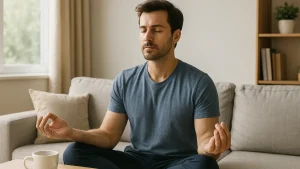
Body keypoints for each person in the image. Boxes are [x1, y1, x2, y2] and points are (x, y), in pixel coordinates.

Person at [36, 0, 230, 169]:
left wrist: (212, 149)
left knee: (205, 164)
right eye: (143, 29)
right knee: (75, 152)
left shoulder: (199, 83)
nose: (148, 37)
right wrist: (72, 132)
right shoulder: (125, 80)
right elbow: (108, 136)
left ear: (176, 35)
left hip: (179, 163)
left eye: (157, 30)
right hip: (136, 161)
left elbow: (204, 143)